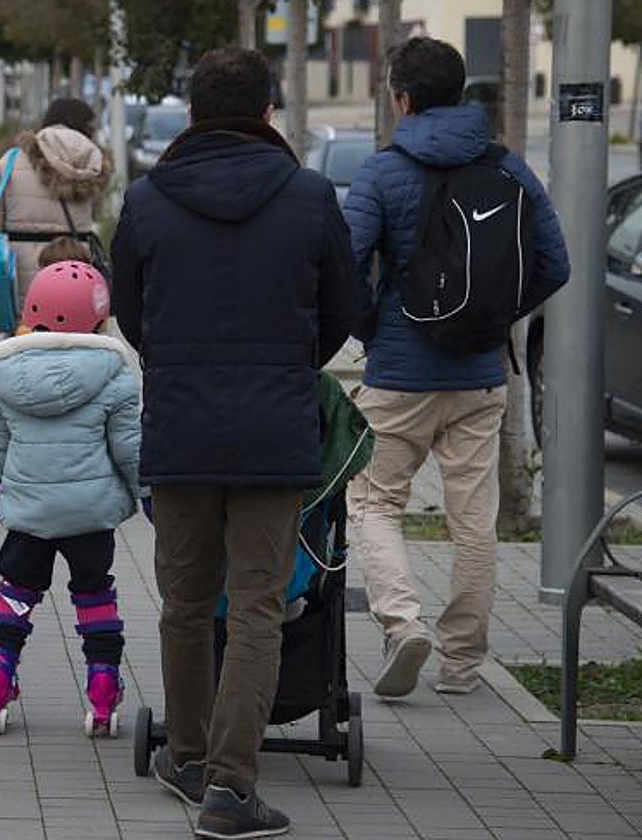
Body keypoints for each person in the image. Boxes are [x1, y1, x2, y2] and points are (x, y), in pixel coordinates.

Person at [112, 47, 354, 838]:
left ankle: (185, 758)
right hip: (275, 432)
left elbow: (130, 312)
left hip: (179, 428)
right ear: (269, 113)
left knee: (184, 604)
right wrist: (287, 366)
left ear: (190, 112)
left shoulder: (146, 201)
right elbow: (344, 308)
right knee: (257, 606)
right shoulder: (312, 197)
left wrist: (179, 365)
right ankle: (230, 787)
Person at [343, 37, 569, 698]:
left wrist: (373, 329)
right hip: (478, 379)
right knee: (474, 522)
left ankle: (402, 621)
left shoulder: (382, 172)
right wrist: (494, 318)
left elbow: (347, 264)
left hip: (400, 378)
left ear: (401, 98)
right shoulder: (507, 166)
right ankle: (462, 664)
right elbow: (556, 264)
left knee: (373, 500)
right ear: (463, 92)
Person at [0, 260, 143, 737]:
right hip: (90, 516)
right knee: (94, 594)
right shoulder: (114, 377)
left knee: (17, 591)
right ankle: (104, 689)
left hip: (28, 512)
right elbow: (129, 447)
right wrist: (145, 494)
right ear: (100, 318)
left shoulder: (6, 374)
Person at [0, 98, 111, 311]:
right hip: (76, 270)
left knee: (25, 334)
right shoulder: (93, 163)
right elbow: (96, 214)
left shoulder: (12, 160)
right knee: (74, 328)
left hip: (21, 274)